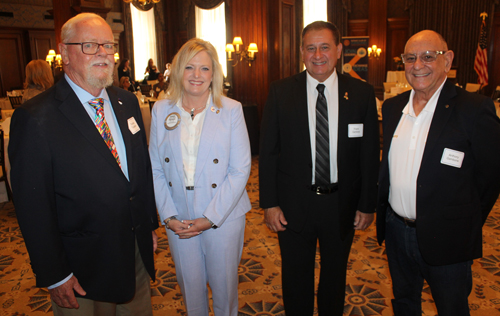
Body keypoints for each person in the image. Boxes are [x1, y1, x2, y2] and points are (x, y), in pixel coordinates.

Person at [9, 13, 158, 316]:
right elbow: (33, 206)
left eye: (108, 45)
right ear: (64, 52)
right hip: (83, 268)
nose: (104, 53)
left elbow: (141, 173)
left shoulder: (127, 102)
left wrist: (149, 226)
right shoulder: (35, 117)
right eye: (90, 45)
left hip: (135, 252)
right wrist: (55, 274)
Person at [259, 21, 379, 316]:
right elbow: (268, 152)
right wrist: (270, 204)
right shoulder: (280, 92)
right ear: (301, 52)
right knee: (295, 278)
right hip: (293, 204)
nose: (318, 54)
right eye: (310, 48)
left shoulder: (362, 94)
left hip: (342, 204)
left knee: (335, 278)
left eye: (325, 46)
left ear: (339, 50)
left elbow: (368, 154)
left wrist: (367, 204)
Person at [376, 30, 500, 315]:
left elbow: (491, 176)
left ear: (448, 60)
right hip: (396, 231)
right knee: (405, 303)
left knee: (451, 308)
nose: (418, 65)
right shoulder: (394, 107)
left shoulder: (473, 109)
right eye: (410, 58)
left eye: (428, 57)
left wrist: (465, 220)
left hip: (448, 237)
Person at [149, 38, 251, 316]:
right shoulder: (161, 110)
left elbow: (240, 169)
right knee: (190, 291)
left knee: (224, 290)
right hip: (178, 215)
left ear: (214, 74)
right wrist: (168, 216)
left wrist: (210, 217)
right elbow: (155, 168)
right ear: (178, 70)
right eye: (190, 67)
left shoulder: (231, 109)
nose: (197, 75)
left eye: (205, 69)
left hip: (223, 214)